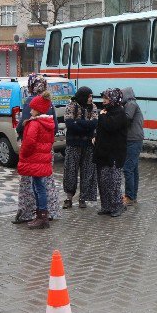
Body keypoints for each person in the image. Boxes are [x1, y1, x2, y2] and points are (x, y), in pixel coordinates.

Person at [12, 74, 61, 223]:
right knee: (47, 182)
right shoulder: (49, 103)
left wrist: (22, 142)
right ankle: (50, 212)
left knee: (31, 184)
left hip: (33, 153)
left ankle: (28, 213)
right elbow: (56, 127)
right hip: (46, 150)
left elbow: (23, 125)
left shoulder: (32, 101)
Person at [18, 91, 55, 230]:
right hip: (42, 159)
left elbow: (29, 143)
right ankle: (41, 215)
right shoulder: (47, 122)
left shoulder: (35, 124)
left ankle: (42, 216)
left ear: (38, 110)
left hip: (34, 159)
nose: (30, 110)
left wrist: (24, 154)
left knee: (38, 188)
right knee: (39, 186)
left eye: (33, 108)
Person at [93, 88, 128, 218]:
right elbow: (101, 128)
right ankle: (106, 206)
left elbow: (110, 126)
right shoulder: (106, 112)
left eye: (106, 99)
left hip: (115, 153)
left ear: (113, 100)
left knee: (114, 182)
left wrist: (102, 116)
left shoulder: (119, 113)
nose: (104, 102)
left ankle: (117, 206)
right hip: (103, 152)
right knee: (103, 181)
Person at [62, 86, 98, 209]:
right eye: (89, 96)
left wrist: (79, 123)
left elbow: (94, 123)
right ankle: (69, 198)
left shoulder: (93, 107)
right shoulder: (71, 105)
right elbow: (70, 124)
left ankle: (83, 198)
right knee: (70, 171)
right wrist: (86, 127)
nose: (91, 98)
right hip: (73, 144)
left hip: (88, 145)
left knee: (87, 171)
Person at [122, 87, 144, 207]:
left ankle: (130, 196)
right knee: (133, 168)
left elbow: (127, 118)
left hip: (133, 140)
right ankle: (133, 196)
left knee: (128, 169)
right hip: (134, 139)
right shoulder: (131, 104)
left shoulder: (130, 104)